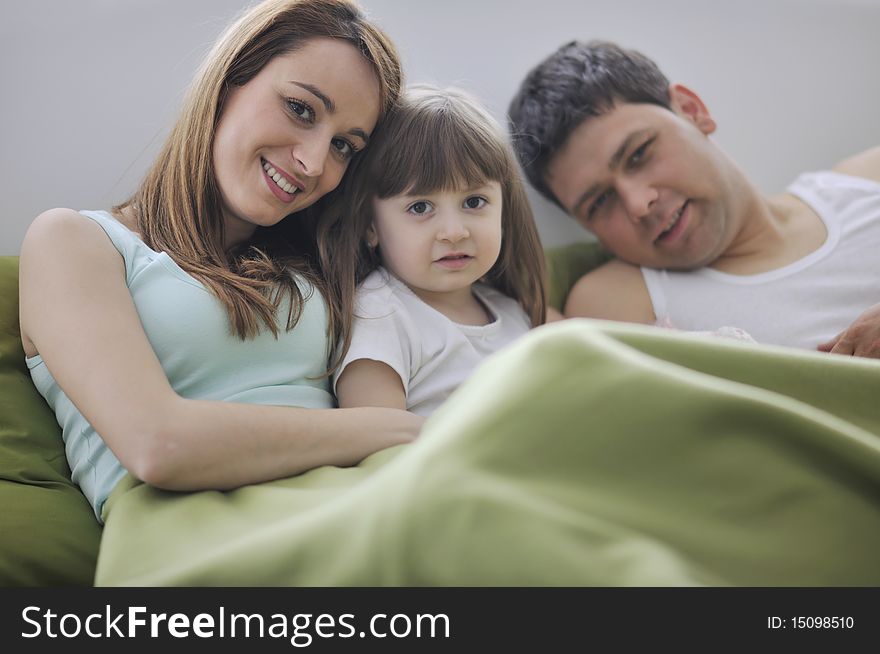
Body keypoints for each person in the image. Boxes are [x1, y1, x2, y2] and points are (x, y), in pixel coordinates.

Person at [17, 0, 423, 523]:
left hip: (356, 512)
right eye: (301, 109)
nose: (315, 162)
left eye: (345, 145)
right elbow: (157, 444)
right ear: (228, 81)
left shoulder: (320, 264)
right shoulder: (74, 241)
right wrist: (404, 430)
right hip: (198, 539)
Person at [508, 40, 880, 358]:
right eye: (600, 202)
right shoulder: (621, 300)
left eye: (639, 154)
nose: (639, 204)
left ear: (691, 111)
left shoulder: (867, 181)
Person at [318, 86, 547, 416]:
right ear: (371, 226)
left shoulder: (513, 311)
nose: (454, 232)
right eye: (421, 207)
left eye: (474, 202)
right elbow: (375, 439)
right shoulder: (380, 314)